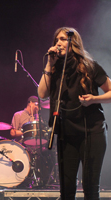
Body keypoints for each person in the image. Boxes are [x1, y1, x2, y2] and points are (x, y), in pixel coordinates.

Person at [38, 27, 111, 200]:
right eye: (56, 40)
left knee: (90, 187)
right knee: (67, 188)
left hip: (91, 132)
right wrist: (49, 64)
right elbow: (42, 94)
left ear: (73, 43)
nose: (58, 43)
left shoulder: (89, 66)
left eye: (63, 39)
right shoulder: (55, 69)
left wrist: (93, 99)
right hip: (66, 134)